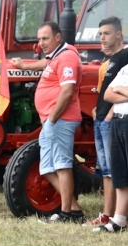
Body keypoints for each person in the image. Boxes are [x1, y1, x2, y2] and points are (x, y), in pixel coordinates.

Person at [11, 22, 84, 223]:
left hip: (60, 120)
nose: (41, 43)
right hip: (50, 121)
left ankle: (67, 214)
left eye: (45, 38)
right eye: (39, 38)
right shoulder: (56, 56)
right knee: (47, 167)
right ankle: (75, 210)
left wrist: (52, 119)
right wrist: (25, 65)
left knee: (62, 165)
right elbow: (46, 64)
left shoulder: (67, 56)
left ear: (58, 38)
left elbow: (68, 91)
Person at [86, 17, 128, 226]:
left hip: (114, 120)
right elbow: (108, 89)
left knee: (116, 168)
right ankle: (107, 214)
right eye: (100, 33)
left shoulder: (125, 56)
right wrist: (98, 109)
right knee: (105, 169)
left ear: (119, 34)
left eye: (107, 33)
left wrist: (112, 110)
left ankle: (118, 216)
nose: (102, 37)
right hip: (100, 118)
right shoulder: (110, 60)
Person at [100, 60, 128, 232]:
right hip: (118, 121)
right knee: (120, 172)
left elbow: (115, 91)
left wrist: (120, 89)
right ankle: (119, 220)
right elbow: (108, 95)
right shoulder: (125, 68)